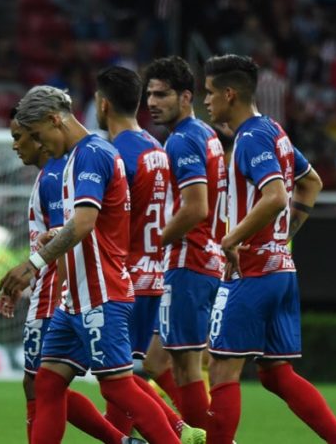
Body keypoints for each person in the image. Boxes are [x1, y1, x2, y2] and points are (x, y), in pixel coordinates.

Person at [0, 85, 182, 444]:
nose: (39, 144)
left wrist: (32, 264)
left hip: (102, 292)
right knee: (47, 382)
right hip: (75, 298)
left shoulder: (93, 153)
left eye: (37, 134)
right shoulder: (75, 158)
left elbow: (84, 223)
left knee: (117, 387)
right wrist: (55, 237)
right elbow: (88, 223)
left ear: (55, 120)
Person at [202, 54, 336, 444]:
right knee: (275, 374)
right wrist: (284, 237)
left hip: (251, 271)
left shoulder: (250, 138)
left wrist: (233, 238)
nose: (206, 101)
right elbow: (311, 183)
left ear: (229, 94)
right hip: (280, 270)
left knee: (221, 370)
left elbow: (276, 195)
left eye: (210, 92)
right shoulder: (274, 130)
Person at [95, 65, 201, 440]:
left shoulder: (114, 154)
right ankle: (180, 430)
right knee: (123, 379)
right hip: (154, 276)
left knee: (113, 381)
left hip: (123, 278)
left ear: (103, 104)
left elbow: (107, 219)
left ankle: (181, 432)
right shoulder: (157, 148)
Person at [143, 55, 226, 428]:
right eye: (149, 95)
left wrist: (153, 243)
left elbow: (195, 208)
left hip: (188, 260)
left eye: (162, 95)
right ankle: (185, 431)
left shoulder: (182, 141)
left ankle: (205, 437)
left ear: (186, 97)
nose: (152, 103)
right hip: (204, 258)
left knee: (187, 365)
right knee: (156, 361)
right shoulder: (206, 134)